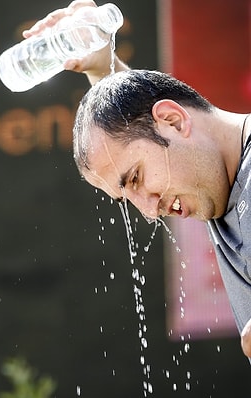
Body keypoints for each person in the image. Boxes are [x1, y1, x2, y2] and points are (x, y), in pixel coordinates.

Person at [22, 0, 251, 359]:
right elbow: (135, 120)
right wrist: (102, 65)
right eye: (126, 196)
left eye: (136, 179)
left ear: (175, 122)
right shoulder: (212, 179)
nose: (149, 210)